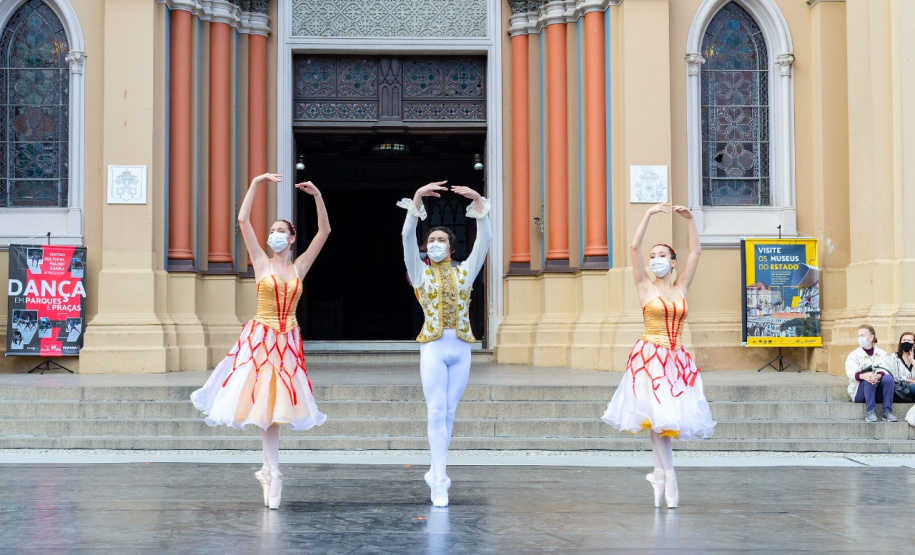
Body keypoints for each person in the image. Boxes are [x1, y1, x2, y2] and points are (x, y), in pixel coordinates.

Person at [191, 173, 329, 510]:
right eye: (271, 231)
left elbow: (324, 232)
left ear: (292, 238)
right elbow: (242, 220)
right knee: (266, 407)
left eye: (281, 231)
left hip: (287, 343)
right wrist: (255, 182)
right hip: (261, 340)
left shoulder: (299, 267)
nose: (274, 235)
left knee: (275, 409)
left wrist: (317, 196)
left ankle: (270, 471)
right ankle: (273, 472)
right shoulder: (261, 262)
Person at [601, 203, 716, 509]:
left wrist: (690, 220)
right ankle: (670, 476)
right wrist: (649, 214)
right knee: (660, 419)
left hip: (676, 359)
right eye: (653, 256)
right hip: (650, 358)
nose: (655, 260)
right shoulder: (644, 286)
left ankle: (659, 475)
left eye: (662, 255)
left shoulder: (680, 287)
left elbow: (696, 252)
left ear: (673, 261)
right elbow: (633, 247)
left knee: (661, 420)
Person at [399, 180, 492, 508]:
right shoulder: (420, 273)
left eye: (441, 240)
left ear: (451, 247)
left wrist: (479, 203)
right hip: (434, 347)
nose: (435, 244)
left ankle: (436, 470)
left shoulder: (466, 271)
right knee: (436, 410)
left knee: (450, 413)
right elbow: (406, 238)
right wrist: (416, 200)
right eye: (431, 240)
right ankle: (439, 479)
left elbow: (485, 241)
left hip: (462, 348)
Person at [844, 325, 897, 422]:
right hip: (861, 392)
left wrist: (878, 375)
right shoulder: (854, 355)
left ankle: (887, 412)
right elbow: (851, 373)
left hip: (878, 391)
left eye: (862, 335)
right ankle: (870, 411)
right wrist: (864, 376)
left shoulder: (882, 353)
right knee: (868, 378)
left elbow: (887, 368)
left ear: (871, 337)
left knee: (888, 378)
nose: (859, 338)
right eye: (858, 336)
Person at [888, 332, 915, 402]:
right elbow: (896, 376)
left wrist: (912, 360)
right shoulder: (894, 357)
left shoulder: (913, 359)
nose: (906, 342)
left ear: (914, 344)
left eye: (909, 340)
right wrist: (912, 381)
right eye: (904, 340)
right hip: (901, 388)